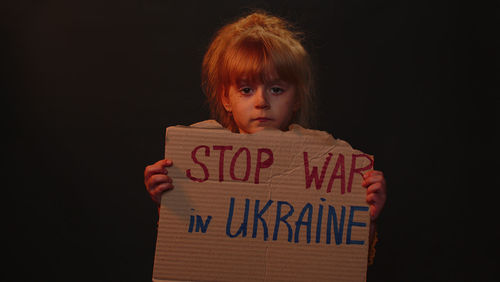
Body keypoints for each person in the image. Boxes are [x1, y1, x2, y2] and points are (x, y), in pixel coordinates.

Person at [144, 11, 386, 265]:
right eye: (246, 90)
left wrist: (364, 216)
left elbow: (337, 259)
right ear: (226, 98)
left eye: (276, 89)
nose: (261, 102)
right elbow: (189, 248)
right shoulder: (203, 167)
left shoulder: (323, 167)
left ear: (297, 98)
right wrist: (170, 200)